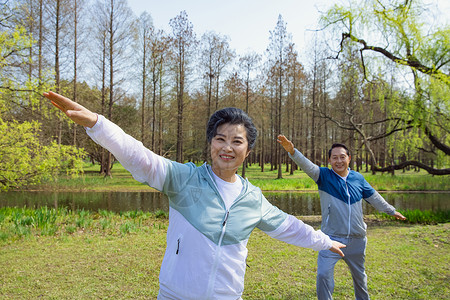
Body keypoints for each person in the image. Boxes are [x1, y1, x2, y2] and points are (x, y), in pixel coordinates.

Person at [43, 91, 346, 300]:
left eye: (236, 141)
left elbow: (290, 226)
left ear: (247, 151)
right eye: (220, 139)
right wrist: (98, 124)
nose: (227, 147)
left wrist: (325, 241)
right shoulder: (184, 179)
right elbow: (140, 156)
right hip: (175, 293)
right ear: (210, 144)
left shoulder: (253, 199)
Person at [277, 135, 406, 300]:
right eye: (335, 158)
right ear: (329, 160)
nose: (339, 161)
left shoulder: (358, 179)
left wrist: (391, 210)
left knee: (360, 278)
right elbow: (307, 166)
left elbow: (374, 197)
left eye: (342, 157)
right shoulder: (323, 176)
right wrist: (293, 152)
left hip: (357, 240)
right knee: (323, 275)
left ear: (349, 159)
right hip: (330, 239)